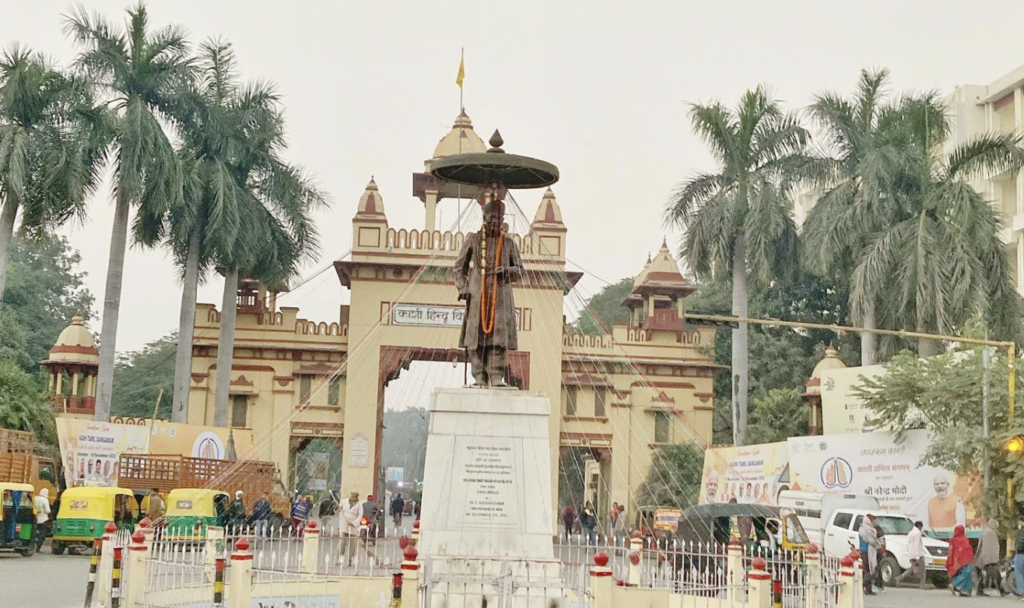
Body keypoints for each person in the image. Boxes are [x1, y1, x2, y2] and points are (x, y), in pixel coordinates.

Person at [976, 518, 1005, 596]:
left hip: (985, 558)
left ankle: (980, 590)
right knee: (995, 574)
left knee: (985, 575)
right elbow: (991, 547)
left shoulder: (985, 531)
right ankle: (1001, 590)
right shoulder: (990, 533)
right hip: (989, 559)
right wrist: (994, 558)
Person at [895, 521, 927, 589]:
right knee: (922, 570)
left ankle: (899, 578)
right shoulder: (918, 533)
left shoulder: (910, 532)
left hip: (911, 554)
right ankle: (922, 585)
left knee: (912, 569)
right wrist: (917, 557)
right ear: (920, 526)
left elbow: (908, 544)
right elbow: (917, 545)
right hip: (918, 554)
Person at [947, 524, 975, 596]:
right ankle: (959, 587)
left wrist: (950, 562)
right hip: (964, 560)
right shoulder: (964, 540)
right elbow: (968, 550)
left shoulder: (952, 540)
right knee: (967, 574)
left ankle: (964, 590)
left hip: (955, 561)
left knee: (962, 574)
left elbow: (951, 552)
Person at [858, 514, 880, 595]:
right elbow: (872, 541)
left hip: (864, 551)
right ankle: (866, 587)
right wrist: (877, 542)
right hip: (867, 552)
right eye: (873, 520)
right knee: (868, 570)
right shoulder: (866, 530)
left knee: (867, 570)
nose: (874, 522)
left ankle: (867, 587)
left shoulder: (863, 529)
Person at [339, 491, 361, 567]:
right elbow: (337, 510)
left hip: (353, 526)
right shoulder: (343, 502)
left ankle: (350, 560)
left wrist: (354, 523)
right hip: (344, 524)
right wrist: (337, 508)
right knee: (342, 543)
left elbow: (360, 516)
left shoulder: (359, 504)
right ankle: (340, 558)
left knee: (353, 545)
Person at [1014, 519, 1024, 599]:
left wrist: (1017, 550)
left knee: (1019, 573)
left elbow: (1020, 544)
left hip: (1021, 554)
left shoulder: (1021, 531)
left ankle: (1022, 593)